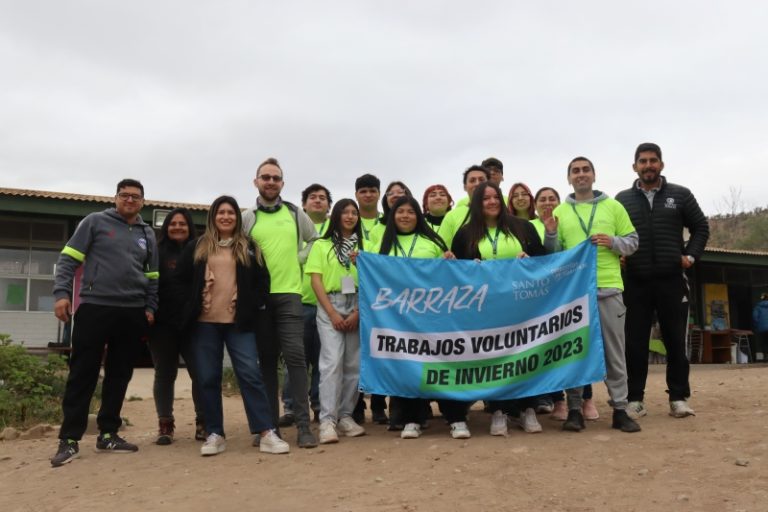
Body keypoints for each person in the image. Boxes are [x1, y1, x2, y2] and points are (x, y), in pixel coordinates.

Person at [50, 179, 159, 467]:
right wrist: (61, 293)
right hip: (95, 307)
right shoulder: (94, 222)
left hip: (132, 312)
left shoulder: (147, 234)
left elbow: (153, 276)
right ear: (116, 197)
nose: (130, 200)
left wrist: (150, 306)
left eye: (136, 197)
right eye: (125, 195)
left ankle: (108, 433)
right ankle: (69, 439)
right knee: (82, 373)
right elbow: (68, 259)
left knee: (119, 374)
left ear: (143, 202)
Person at [178, 195, 289, 456]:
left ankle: (265, 432)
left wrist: (253, 305)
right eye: (221, 212)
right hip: (205, 324)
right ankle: (215, 433)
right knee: (207, 378)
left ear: (237, 218)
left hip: (240, 324)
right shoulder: (197, 247)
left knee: (250, 375)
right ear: (213, 217)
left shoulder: (249, 247)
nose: (226, 217)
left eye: (230, 213)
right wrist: (188, 308)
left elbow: (264, 281)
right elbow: (180, 281)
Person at [544, 157, 641, 433]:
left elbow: (633, 242)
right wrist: (551, 234)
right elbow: (554, 257)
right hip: (574, 293)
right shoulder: (560, 212)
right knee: (574, 352)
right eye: (575, 171)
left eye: (585, 170)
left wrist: (613, 242)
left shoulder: (614, 207)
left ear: (594, 175)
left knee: (614, 353)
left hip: (608, 288)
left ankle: (620, 410)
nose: (581, 174)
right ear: (569, 178)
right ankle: (575, 409)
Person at [616, 142, 710, 419]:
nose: (648, 165)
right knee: (634, 343)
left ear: (661, 164)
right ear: (634, 166)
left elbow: (701, 227)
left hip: (672, 281)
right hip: (635, 281)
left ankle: (679, 398)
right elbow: (612, 234)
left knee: (674, 341)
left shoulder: (680, 195)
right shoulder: (621, 199)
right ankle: (635, 399)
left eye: (653, 160)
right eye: (643, 161)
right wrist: (618, 256)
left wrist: (690, 256)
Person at [452, 182, 546, 436]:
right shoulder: (465, 234)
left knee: (525, 354)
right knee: (493, 359)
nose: (492, 202)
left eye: (496, 197)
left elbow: (544, 261)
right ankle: (498, 410)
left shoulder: (523, 227)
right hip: (485, 309)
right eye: (485, 198)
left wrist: (530, 261)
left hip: (521, 306)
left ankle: (528, 408)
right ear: (476, 203)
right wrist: (467, 267)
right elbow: (456, 275)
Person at [243, 157, 319, 448]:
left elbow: (315, 239)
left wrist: (298, 258)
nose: (271, 182)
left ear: (282, 183)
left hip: (290, 295)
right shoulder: (249, 217)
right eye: (266, 177)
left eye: (276, 178)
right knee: (266, 365)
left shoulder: (295, 213)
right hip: (260, 299)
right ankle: (268, 427)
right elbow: (239, 250)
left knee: (297, 360)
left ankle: (303, 426)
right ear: (256, 182)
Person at [374, 196, 462, 439]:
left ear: (418, 215)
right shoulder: (382, 245)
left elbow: (449, 276)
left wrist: (450, 261)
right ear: (392, 216)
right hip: (399, 319)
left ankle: (456, 417)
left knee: (442, 365)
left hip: (434, 317)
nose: (404, 216)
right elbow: (374, 277)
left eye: (410, 212)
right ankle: (411, 419)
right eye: (400, 211)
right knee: (407, 367)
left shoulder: (431, 241)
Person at [531, 187, 599, 422]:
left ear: (559, 202)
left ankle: (587, 398)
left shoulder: (566, 218)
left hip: (571, 289)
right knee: (551, 349)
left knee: (577, 344)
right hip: (543, 296)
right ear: (535, 204)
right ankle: (558, 400)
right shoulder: (531, 226)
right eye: (542, 199)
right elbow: (545, 254)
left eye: (552, 198)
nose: (547, 202)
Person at [306, 199, 367, 444]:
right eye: (346, 212)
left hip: (357, 304)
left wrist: (358, 312)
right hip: (329, 304)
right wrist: (331, 312)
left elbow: (374, 279)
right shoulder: (321, 245)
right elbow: (316, 280)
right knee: (331, 362)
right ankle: (327, 421)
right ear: (337, 216)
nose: (350, 216)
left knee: (353, 364)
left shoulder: (367, 246)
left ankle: (345, 415)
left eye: (355, 212)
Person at [148, 208, 205, 445]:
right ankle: (165, 424)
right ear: (166, 227)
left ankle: (203, 421)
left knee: (200, 374)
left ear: (190, 227)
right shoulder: (155, 252)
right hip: (162, 324)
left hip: (195, 323)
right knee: (164, 374)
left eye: (183, 224)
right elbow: (147, 283)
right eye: (173, 224)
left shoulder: (201, 251)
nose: (178, 227)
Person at [278, 183, 332, 427]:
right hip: (297, 304)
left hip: (326, 306)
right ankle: (290, 406)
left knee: (323, 361)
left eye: (322, 198)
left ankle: (320, 406)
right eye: (313, 197)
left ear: (329, 205)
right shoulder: (293, 226)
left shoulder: (335, 229)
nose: (318, 201)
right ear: (304, 204)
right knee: (294, 359)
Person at [352, 173, 389, 424]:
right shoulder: (348, 219)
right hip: (351, 291)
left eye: (372, 190)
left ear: (379, 193)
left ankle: (378, 405)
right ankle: (355, 406)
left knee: (379, 349)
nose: (368, 195)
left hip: (379, 294)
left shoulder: (387, 223)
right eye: (363, 191)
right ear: (356, 194)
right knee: (354, 353)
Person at [439, 165, 490, 248]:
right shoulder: (452, 216)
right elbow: (441, 250)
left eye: (481, 180)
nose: (477, 184)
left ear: (489, 184)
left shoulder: (501, 212)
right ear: (465, 187)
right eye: (472, 180)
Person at [754, 293, 768, 361]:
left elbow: (755, 318)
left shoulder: (757, 307)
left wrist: (757, 326)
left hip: (762, 328)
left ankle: (765, 356)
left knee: (763, 342)